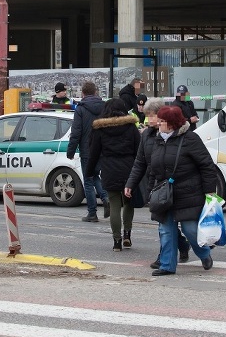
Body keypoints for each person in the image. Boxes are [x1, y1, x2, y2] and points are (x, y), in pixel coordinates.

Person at [125, 105, 218, 276]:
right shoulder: (158, 139)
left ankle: (204, 254)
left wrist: (209, 191)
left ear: (172, 123)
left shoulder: (190, 139)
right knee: (166, 230)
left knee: (190, 230)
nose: (158, 124)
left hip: (189, 193)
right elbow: (152, 167)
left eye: (162, 121)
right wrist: (151, 189)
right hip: (164, 193)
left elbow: (207, 166)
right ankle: (167, 265)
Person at [140, 98, 191, 269]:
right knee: (165, 224)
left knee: (172, 224)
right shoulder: (147, 135)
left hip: (175, 185)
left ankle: (172, 254)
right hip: (156, 183)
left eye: (153, 115)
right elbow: (141, 161)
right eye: (148, 116)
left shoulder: (174, 136)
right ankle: (173, 252)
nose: (149, 119)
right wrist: (132, 184)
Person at [87, 99, 142, 251]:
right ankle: (127, 235)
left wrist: (89, 172)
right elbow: (139, 151)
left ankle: (116, 241)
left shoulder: (100, 128)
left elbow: (94, 153)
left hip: (109, 169)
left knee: (114, 204)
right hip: (129, 169)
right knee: (128, 203)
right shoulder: (131, 127)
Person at [66, 81, 110, 221]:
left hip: (87, 150)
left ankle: (92, 213)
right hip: (102, 149)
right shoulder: (105, 107)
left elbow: (76, 133)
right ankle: (105, 197)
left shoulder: (81, 109)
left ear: (83, 93)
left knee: (88, 180)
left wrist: (70, 152)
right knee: (95, 176)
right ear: (96, 92)